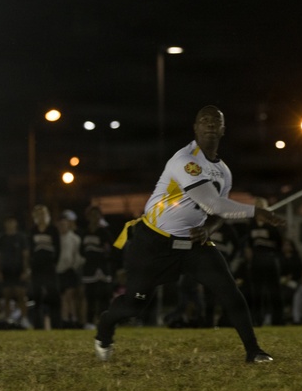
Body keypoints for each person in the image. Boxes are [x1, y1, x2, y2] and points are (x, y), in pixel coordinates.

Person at [94, 105, 282, 363]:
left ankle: (254, 351)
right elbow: (213, 204)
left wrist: (208, 229)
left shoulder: (224, 172)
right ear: (195, 127)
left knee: (229, 291)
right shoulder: (185, 159)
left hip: (193, 243)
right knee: (134, 306)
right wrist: (256, 211)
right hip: (153, 242)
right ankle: (105, 328)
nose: (210, 124)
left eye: (216, 120)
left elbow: (218, 214)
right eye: (204, 120)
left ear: (224, 129)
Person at [0, 216, 30, 329]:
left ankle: (24, 319)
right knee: (7, 296)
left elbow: (25, 255)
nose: (10, 224)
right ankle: (8, 320)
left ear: (16, 223)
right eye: (8, 222)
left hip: (18, 270)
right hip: (6, 270)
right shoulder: (1, 238)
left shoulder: (21, 238)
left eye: (12, 222)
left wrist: (25, 270)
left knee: (21, 295)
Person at [79, 206, 114, 330]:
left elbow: (111, 250)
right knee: (90, 296)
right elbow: (81, 251)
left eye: (96, 215)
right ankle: (89, 322)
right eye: (91, 215)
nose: (94, 218)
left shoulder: (104, 232)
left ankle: (104, 321)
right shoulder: (84, 233)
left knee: (104, 296)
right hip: (89, 269)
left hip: (103, 269)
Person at [29, 204, 60, 330]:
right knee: (37, 297)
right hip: (37, 267)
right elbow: (30, 249)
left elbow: (58, 248)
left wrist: (54, 262)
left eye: (43, 213)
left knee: (53, 296)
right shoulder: (33, 231)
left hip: (49, 267)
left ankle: (56, 325)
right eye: (38, 214)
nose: (40, 216)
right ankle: (38, 326)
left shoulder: (53, 230)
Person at [56, 209, 83, 329]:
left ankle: (74, 319)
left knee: (70, 295)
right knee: (63, 297)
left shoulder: (75, 238)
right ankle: (65, 319)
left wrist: (73, 266)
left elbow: (77, 255)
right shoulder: (56, 238)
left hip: (70, 270)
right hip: (58, 270)